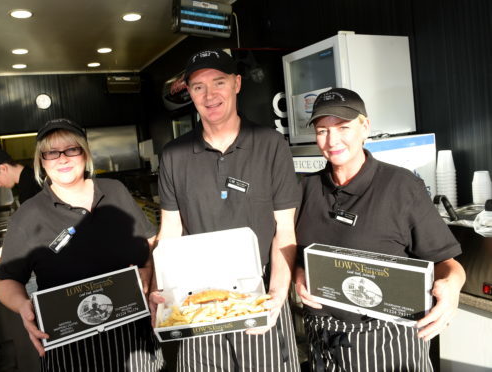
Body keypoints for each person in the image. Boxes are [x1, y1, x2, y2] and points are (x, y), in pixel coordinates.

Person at [293, 88, 466, 371]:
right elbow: (298, 255)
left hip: (388, 341)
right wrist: (299, 274)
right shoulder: (305, 189)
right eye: (322, 130)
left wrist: (453, 287)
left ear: (365, 127)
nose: (332, 140)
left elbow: (447, 263)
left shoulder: (401, 186)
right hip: (324, 340)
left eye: (343, 128)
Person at [152, 49, 301, 371]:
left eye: (218, 82)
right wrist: (159, 289)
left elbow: (284, 229)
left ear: (236, 83)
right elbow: (170, 231)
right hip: (195, 293)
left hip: (257, 289)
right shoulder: (174, 155)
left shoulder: (270, 144)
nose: (209, 95)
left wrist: (276, 295)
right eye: (198, 86)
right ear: (189, 93)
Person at [0, 118, 164, 371]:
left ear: (85, 153)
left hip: (135, 335)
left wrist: (148, 276)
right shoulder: (29, 215)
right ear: (41, 161)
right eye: (51, 152)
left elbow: (147, 246)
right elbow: (6, 280)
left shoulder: (115, 191)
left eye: (71, 149)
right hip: (70, 347)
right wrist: (23, 306)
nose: (62, 159)